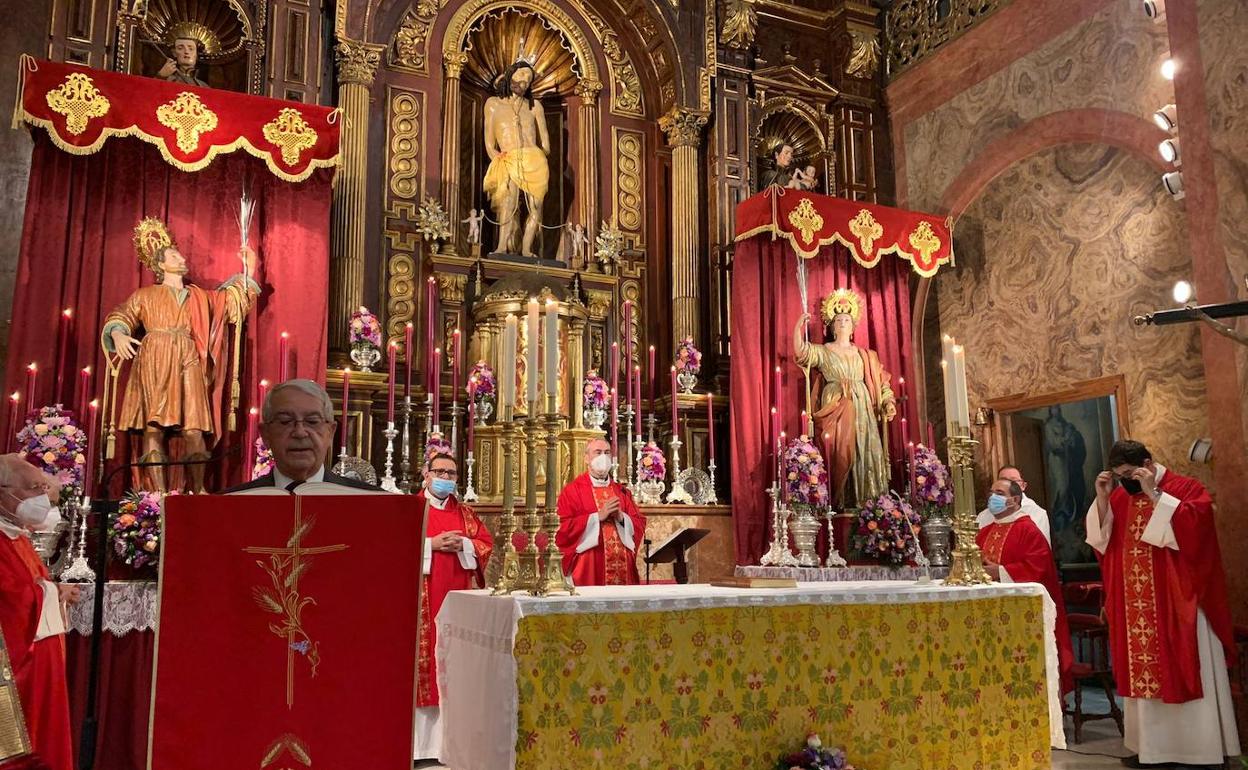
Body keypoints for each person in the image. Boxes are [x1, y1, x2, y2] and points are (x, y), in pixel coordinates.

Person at [1086, 439, 1239, 768]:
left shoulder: (1185, 488)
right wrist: (1102, 498)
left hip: (1179, 601)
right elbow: (1102, 543)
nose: (1125, 481)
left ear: (1147, 464)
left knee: (1185, 665)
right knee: (1142, 675)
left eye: (1129, 473)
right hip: (1136, 608)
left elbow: (1196, 535)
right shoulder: (1120, 498)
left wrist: (1155, 494)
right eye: (1119, 475)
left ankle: (1200, 752)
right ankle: (1150, 751)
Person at [103, 219, 258, 491]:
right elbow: (122, 315)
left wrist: (250, 268)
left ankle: (198, 490)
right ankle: (158, 495)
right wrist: (118, 334)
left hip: (188, 357)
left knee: (194, 427)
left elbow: (232, 303)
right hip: (154, 357)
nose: (182, 258)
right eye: (175, 256)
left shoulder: (199, 297)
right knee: (153, 428)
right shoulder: (145, 295)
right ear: (161, 265)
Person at [413, 452, 492, 760]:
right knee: (425, 666)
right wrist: (431, 545)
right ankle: (420, 747)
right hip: (421, 600)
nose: (445, 478)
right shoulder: (411, 510)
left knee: (453, 664)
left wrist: (465, 545)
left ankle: (450, 745)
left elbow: (485, 544)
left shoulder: (466, 514)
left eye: (451, 474)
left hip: (457, 599)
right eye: (440, 472)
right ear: (426, 474)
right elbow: (393, 545)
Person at [0, 454, 77, 770]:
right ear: (3, 492)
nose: (41, 497)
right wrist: (50, 591)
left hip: (40, 667)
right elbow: (10, 599)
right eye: (33, 488)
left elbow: (31, 586)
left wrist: (54, 592)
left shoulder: (17, 537)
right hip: (16, 669)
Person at [793, 289, 896, 506]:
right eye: (838, 320)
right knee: (839, 450)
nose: (842, 323)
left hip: (863, 408)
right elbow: (802, 353)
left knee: (863, 450)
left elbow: (882, 382)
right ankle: (841, 501)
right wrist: (799, 326)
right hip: (836, 404)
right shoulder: (824, 350)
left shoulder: (866, 355)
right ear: (832, 326)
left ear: (853, 326)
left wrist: (888, 402)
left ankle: (867, 502)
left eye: (847, 319)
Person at [977, 478, 1073, 693]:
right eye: (991, 492)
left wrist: (1001, 572)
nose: (992, 497)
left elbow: (1039, 568)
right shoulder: (984, 532)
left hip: (1021, 618)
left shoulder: (1028, 530)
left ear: (1014, 500)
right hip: (988, 617)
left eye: (999, 493)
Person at [226, 380, 378, 492]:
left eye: (312, 422)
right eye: (285, 421)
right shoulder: (232, 503)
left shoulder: (371, 502)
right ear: (266, 434)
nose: (299, 433)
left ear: (330, 432)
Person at [555, 439, 646, 586]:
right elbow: (561, 528)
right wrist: (597, 517)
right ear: (586, 458)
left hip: (623, 566)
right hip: (589, 567)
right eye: (598, 452)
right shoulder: (572, 491)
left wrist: (621, 518)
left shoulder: (622, 491)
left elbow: (639, 523)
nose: (603, 457)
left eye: (607, 452)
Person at [483, 59, 550, 258]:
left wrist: (538, 155)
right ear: (510, 74)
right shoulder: (493, 104)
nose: (525, 80)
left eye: (529, 78)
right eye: (521, 74)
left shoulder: (534, 106)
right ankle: (502, 247)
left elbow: (546, 143)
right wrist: (498, 159)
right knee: (508, 202)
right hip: (508, 158)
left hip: (533, 160)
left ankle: (527, 249)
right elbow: (489, 142)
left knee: (535, 206)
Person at [976, 465, 1051, 544]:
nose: (1008, 484)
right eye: (1003, 480)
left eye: (1013, 481)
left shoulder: (1037, 513)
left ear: (1023, 486)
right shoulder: (983, 516)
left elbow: (1039, 546)